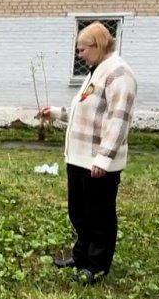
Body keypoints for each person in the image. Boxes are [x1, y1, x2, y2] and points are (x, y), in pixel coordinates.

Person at [40, 22, 137, 284]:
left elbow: (119, 120)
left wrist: (104, 158)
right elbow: (86, 112)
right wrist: (57, 113)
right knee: (79, 212)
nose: (79, 55)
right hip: (79, 158)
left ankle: (97, 265)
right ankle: (81, 257)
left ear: (98, 45)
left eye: (82, 49)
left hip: (97, 161)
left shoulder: (118, 73)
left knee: (99, 215)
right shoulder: (96, 72)